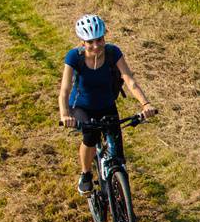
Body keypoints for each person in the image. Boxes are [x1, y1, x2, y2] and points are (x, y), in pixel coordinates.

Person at [56, 14, 157, 194]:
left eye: (100, 39)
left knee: (118, 152)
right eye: (91, 42)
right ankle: (86, 174)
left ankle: (120, 193)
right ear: (82, 42)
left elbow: (130, 80)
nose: (96, 46)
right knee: (91, 137)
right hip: (82, 107)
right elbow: (64, 90)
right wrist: (65, 115)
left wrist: (145, 104)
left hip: (106, 104)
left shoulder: (113, 53)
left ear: (105, 37)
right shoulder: (74, 57)